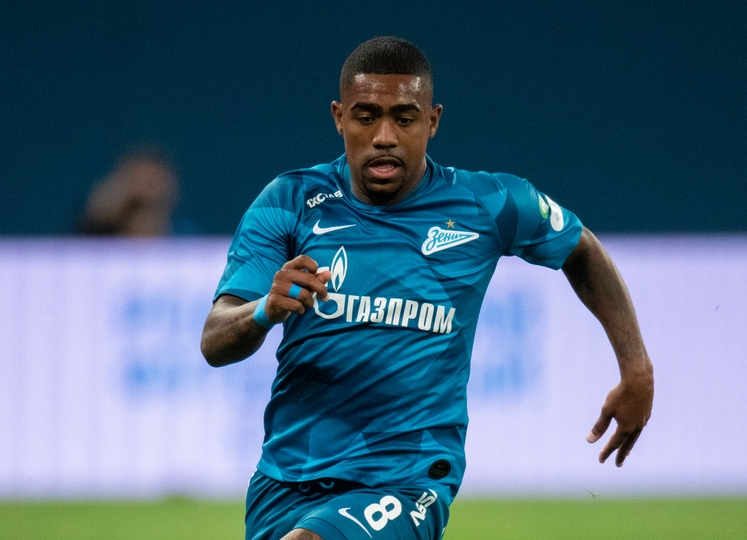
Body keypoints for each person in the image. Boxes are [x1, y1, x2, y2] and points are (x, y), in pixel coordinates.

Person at [201, 36, 654, 540]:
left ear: (433, 121)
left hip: (407, 481)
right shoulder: (290, 200)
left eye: (405, 118)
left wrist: (636, 369)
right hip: (285, 478)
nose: (385, 136)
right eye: (366, 117)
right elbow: (215, 342)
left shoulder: (487, 205)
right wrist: (264, 310)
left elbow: (580, 249)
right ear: (338, 117)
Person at [79, 147, 180, 236]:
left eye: (152, 181)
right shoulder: (97, 234)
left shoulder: (182, 236)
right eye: (138, 180)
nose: (145, 191)